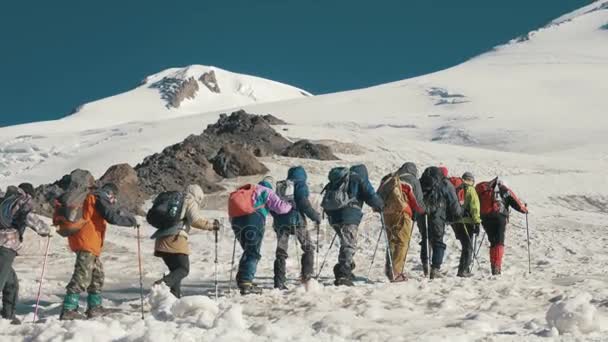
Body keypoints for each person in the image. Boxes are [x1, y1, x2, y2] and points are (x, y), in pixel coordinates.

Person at [59, 183, 137, 320]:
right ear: (111, 193)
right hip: (86, 241)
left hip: (88, 242)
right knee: (82, 275)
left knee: (97, 275)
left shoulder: (92, 198)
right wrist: (130, 221)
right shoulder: (99, 197)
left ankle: (94, 308)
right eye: (114, 197)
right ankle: (68, 309)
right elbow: (111, 216)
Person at [152, 185, 220, 298]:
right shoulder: (189, 200)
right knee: (183, 269)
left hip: (161, 240)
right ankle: (161, 285)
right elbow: (195, 220)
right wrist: (211, 226)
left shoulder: (177, 201)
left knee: (175, 271)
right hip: (175, 239)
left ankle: (173, 298)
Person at [324, 164, 383, 286]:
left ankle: (345, 268)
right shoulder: (359, 179)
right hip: (348, 216)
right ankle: (343, 275)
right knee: (349, 245)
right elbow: (370, 195)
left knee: (346, 243)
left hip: (333, 216)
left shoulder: (340, 179)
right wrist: (381, 205)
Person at [0, 183, 51, 324]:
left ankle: (7, 317)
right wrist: (45, 230)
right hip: (5, 246)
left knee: (11, 283)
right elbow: (30, 217)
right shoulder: (23, 200)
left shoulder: (5, 199)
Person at [231, 178, 292, 295]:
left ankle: (243, 280)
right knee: (253, 252)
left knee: (248, 251)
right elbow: (280, 208)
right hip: (253, 220)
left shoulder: (247, 191)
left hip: (236, 221)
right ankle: (246, 282)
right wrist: (290, 205)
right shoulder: (266, 191)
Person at [272, 167, 321, 290]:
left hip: (280, 222)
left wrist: (278, 218)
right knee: (308, 247)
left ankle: (279, 282)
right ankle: (307, 277)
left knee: (281, 252)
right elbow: (303, 203)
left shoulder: (281, 186)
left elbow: (273, 205)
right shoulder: (300, 185)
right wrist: (315, 217)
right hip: (297, 221)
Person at [378, 162, 425, 282]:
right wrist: (422, 211)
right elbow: (418, 203)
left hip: (387, 213)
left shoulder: (391, 179)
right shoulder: (412, 180)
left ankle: (390, 270)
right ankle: (397, 272)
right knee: (402, 242)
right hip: (402, 213)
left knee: (391, 242)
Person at [418, 166, 463, 279]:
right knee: (438, 241)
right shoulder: (445, 184)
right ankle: (435, 269)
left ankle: (425, 266)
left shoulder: (421, 181)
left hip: (421, 214)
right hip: (437, 215)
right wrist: (458, 213)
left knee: (425, 238)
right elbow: (453, 202)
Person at [478, 177, 528, 275]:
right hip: (499, 217)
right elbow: (515, 202)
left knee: (493, 242)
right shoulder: (504, 189)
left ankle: (494, 266)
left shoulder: (484, 189)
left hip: (485, 218)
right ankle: (496, 267)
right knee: (499, 242)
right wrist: (524, 209)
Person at [451, 172, 481, 277]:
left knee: (465, 246)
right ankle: (463, 270)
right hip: (467, 222)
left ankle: (465, 269)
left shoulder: (454, 187)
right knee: (468, 247)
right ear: (471, 180)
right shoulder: (470, 189)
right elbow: (475, 207)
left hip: (455, 221)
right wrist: (477, 222)